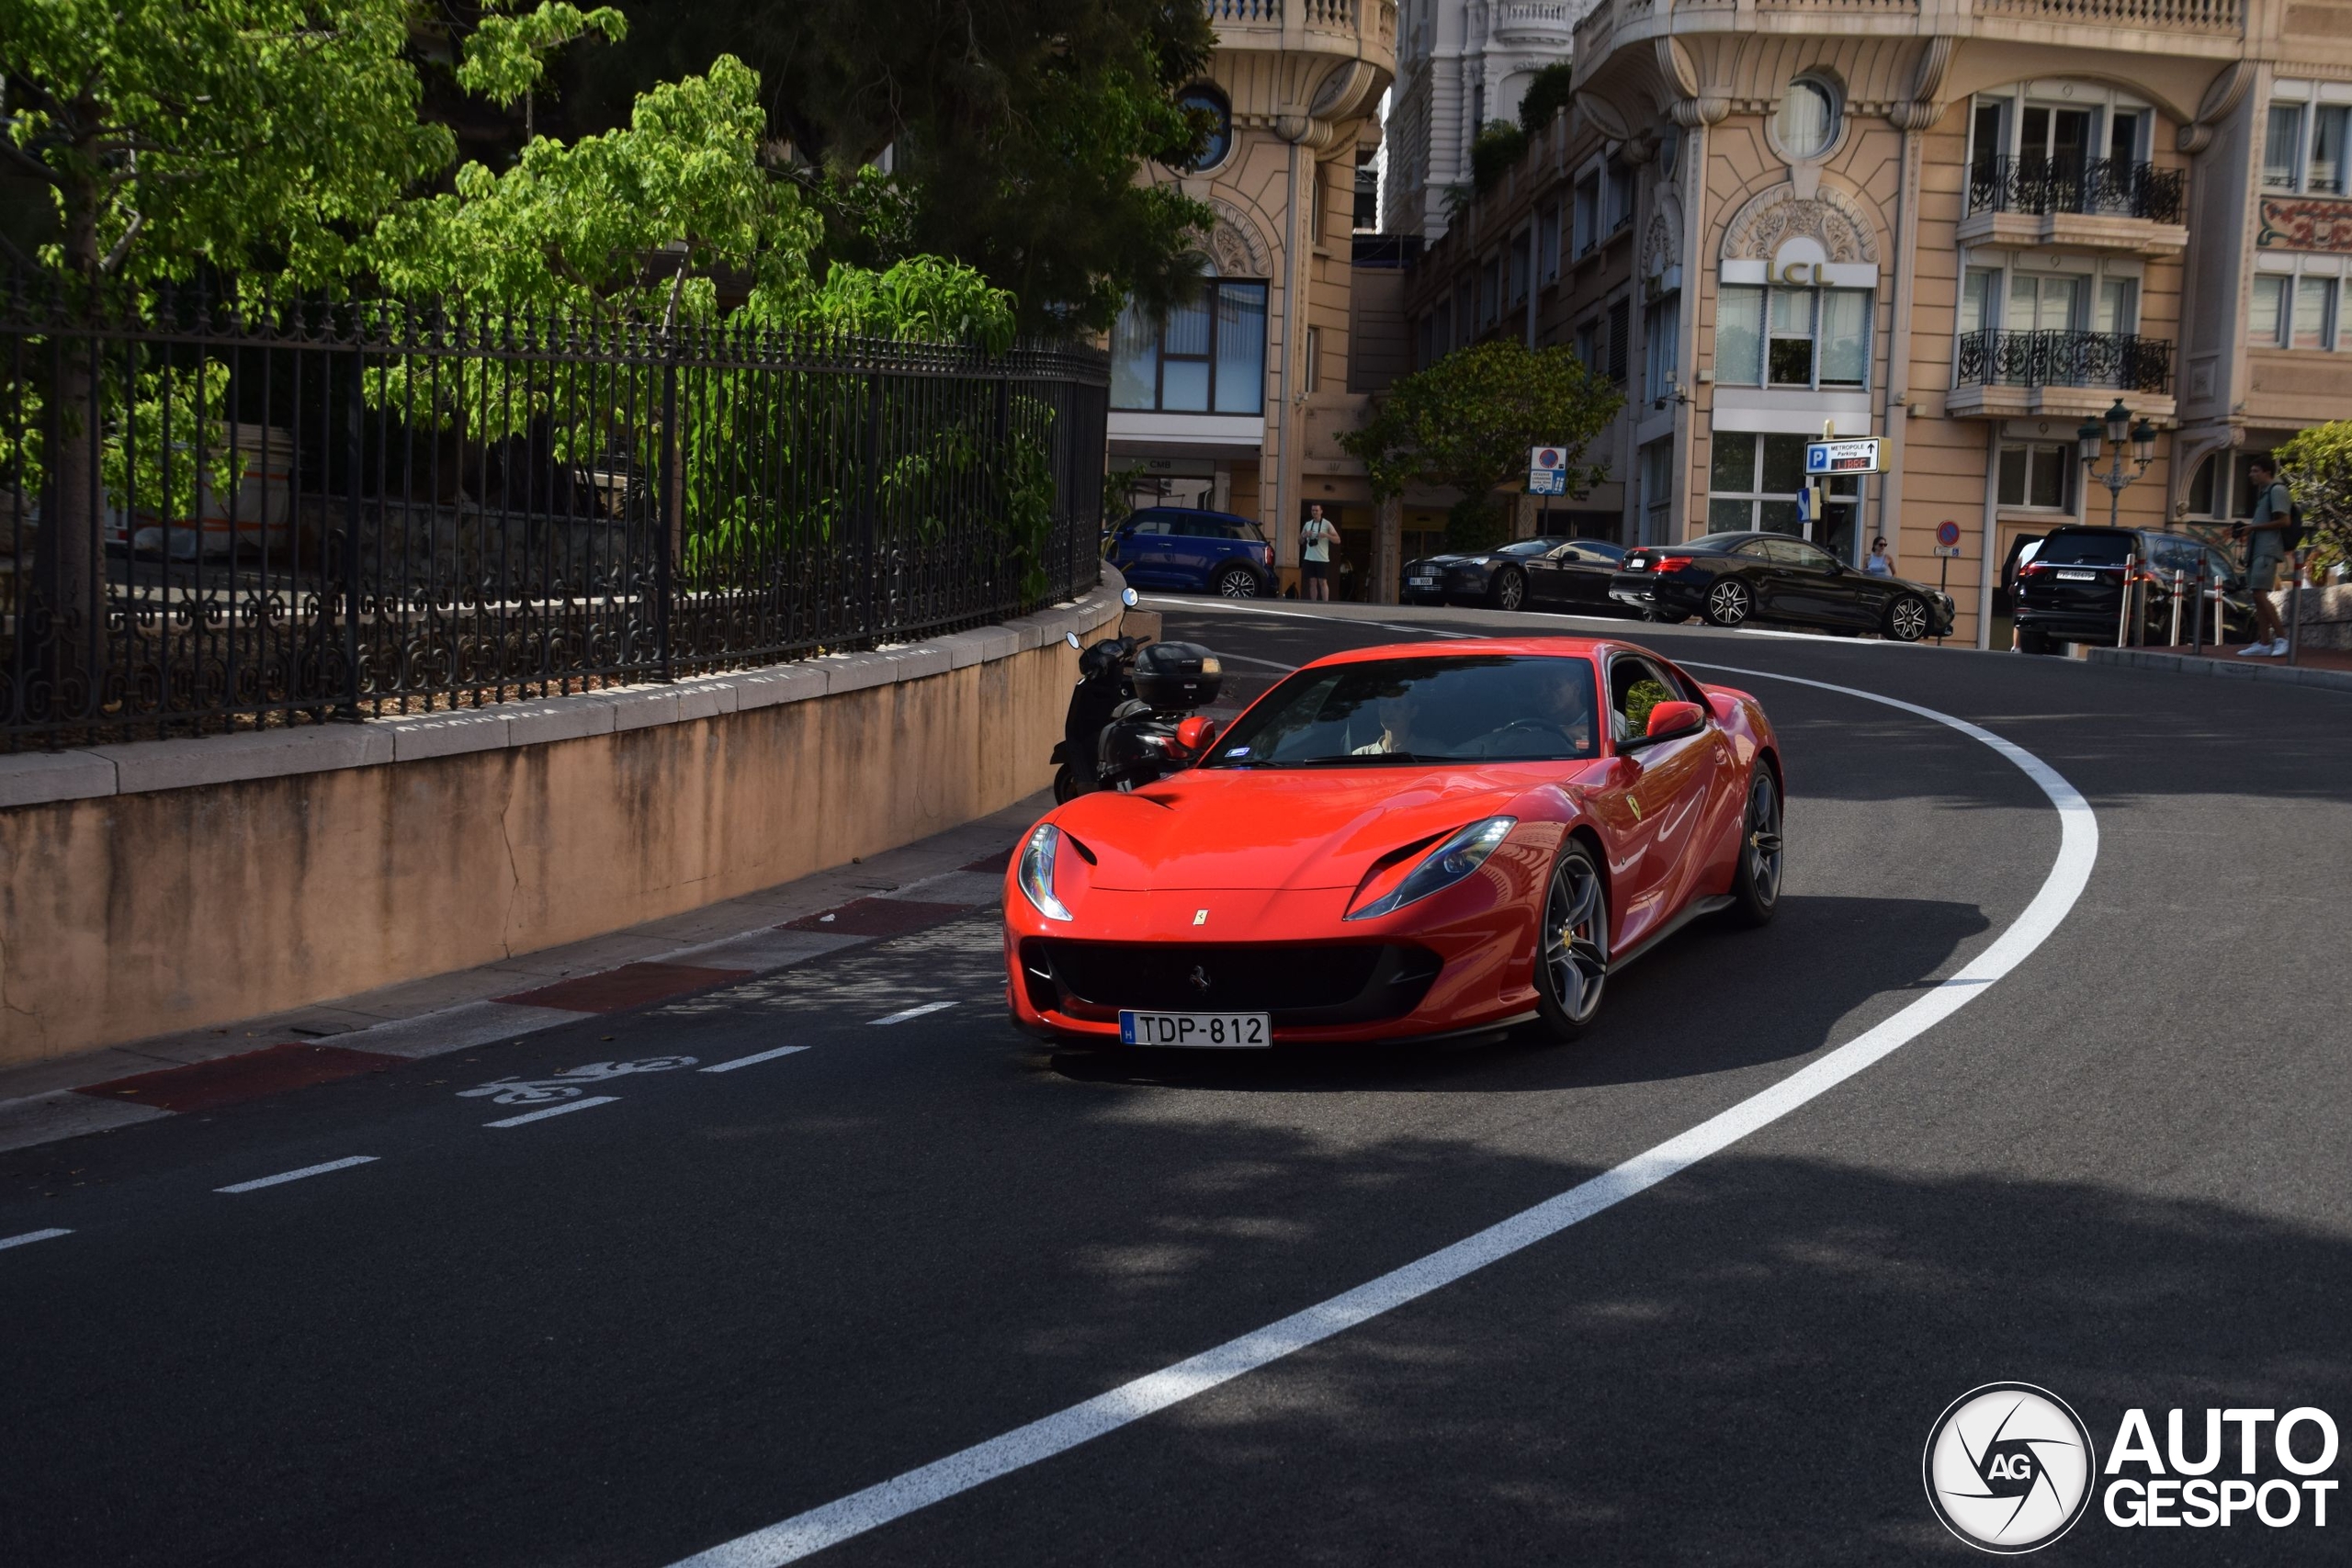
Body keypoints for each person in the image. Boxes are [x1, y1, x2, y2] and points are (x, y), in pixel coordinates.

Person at [2236, 457, 2292, 658]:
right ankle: (2264, 642)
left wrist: (2253, 528)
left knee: (2260, 594)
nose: (2251, 474)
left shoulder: (2277, 490)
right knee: (2256, 595)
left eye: (2255, 470)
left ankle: (2282, 638)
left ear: (2267, 472)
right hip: (2258, 550)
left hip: (2267, 550)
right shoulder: (2264, 493)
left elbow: (2284, 521)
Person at [1300, 503, 1340, 602]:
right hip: (1309, 558)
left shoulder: (1327, 524)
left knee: (1323, 581)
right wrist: (1305, 535)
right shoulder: (1308, 524)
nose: (1314, 512)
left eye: (1316, 510)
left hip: (1322, 558)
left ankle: (1325, 603)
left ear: (1321, 511)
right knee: (1312, 582)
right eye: (1313, 510)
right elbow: (1300, 541)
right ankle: (1314, 602)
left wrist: (1326, 535)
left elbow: (1338, 540)